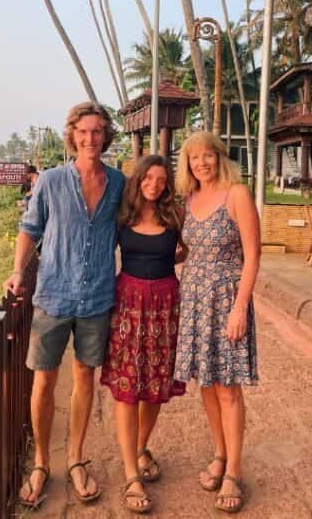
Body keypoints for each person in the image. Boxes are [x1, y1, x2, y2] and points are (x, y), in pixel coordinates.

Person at [2, 102, 125, 509]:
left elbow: (136, 225)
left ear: (106, 136)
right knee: (43, 380)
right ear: (72, 136)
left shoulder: (119, 183)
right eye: (83, 132)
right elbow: (29, 229)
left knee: (85, 377)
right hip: (53, 294)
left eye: (97, 131)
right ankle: (40, 462)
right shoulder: (52, 181)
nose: (90, 139)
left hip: (97, 297)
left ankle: (75, 458)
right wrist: (19, 271)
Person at [173, 131, 260, 514]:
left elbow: (253, 255)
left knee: (228, 389)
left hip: (226, 299)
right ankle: (220, 453)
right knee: (206, 384)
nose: (202, 163)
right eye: (195, 158)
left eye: (208, 155)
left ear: (220, 157)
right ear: (188, 164)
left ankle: (234, 472)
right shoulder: (189, 199)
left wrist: (240, 307)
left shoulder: (236, 193)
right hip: (193, 298)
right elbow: (188, 250)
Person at [99, 155, 186, 514]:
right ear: (138, 180)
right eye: (148, 177)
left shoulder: (174, 216)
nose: (154, 184)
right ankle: (132, 474)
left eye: (161, 179)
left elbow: (191, 248)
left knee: (154, 388)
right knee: (127, 388)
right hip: (128, 305)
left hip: (165, 305)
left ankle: (137, 448)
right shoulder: (122, 216)